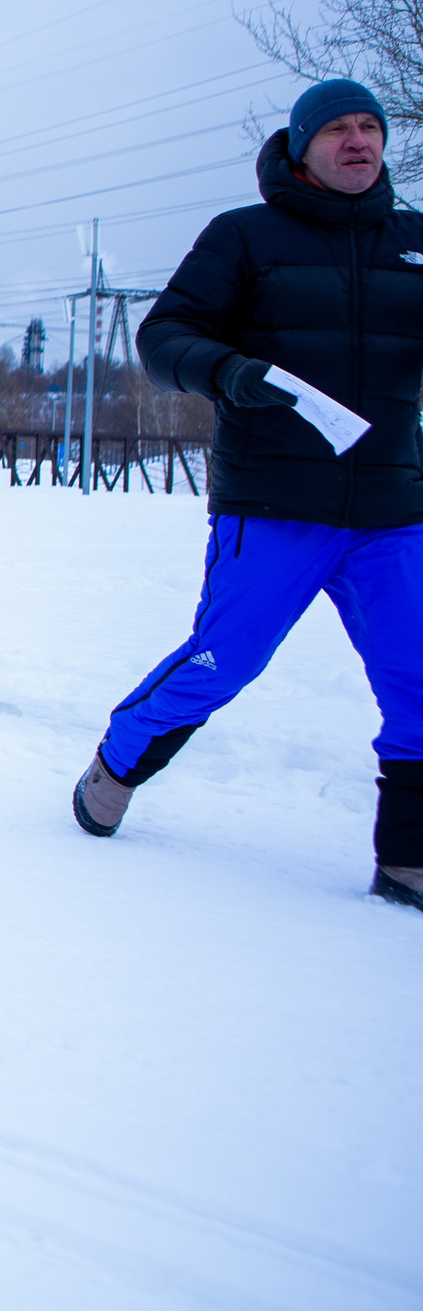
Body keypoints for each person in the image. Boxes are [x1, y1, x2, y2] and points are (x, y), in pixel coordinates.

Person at [75, 80, 423, 913]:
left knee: (418, 681)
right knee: (224, 659)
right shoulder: (244, 236)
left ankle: (407, 857)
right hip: (274, 503)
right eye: (337, 127)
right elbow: (163, 338)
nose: (358, 139)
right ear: (300, 146)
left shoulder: (414, 241)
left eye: (370, 126)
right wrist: (228, 371)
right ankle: (119, 761)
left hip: (392, 510)